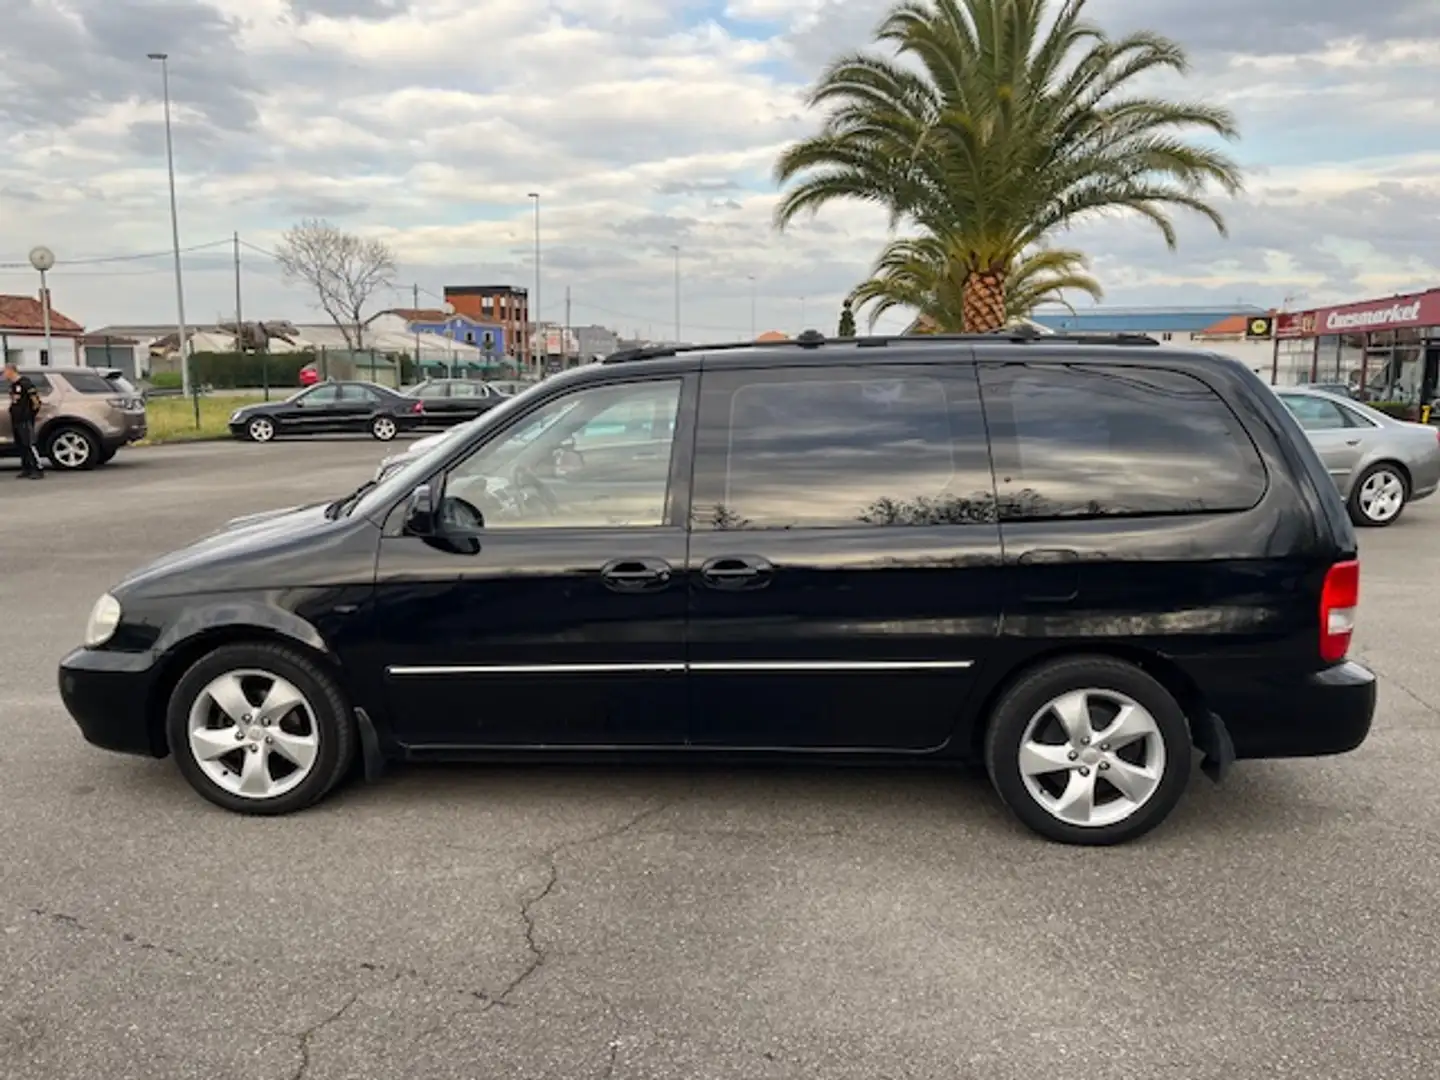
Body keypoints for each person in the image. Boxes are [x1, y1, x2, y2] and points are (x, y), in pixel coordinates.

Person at [4, 362, 44, 479]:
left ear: (11, 370)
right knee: (20, 444)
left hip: (25, 419)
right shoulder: (12, 385)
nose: (4, 374)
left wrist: (30, 415)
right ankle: (26, 468)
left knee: (29, 443)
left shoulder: (25, 383)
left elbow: (36, 402)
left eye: (5, 371)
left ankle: (37, 468)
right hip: (16, 418)